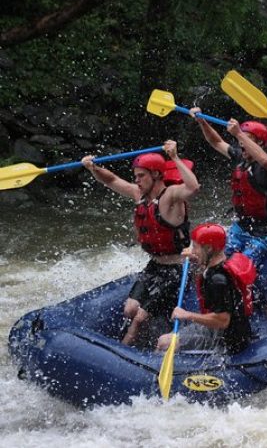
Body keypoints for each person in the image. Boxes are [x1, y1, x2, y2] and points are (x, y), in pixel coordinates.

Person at [81, 141, 200, 346]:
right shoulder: (139, 195)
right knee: (129, 309)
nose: (136, 181)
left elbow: (193, 187)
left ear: (155, 174)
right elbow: (112, 181)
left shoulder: (170, 196)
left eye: (141, 175)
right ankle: (144, 336)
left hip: (178, 269)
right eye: (135, 176)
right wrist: (93, 167)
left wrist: (174, 157)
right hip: (155, 266)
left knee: (138, 318)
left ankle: (123, 350)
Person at [191, 108, 267, 266]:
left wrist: (238, 133)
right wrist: (202, 122)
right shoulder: (241, 158)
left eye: (247, 139)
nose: (241, 143)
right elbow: (216, 142)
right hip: (241, 227)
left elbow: (265, 161)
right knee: (214, 259)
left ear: (260, 144)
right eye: (240, 140)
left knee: (240, 265)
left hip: (264, 233)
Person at [157, 223, 252, 354]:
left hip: (225, 337)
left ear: (208, 249)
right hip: (236, 329)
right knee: (169, 338)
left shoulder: (217, 280)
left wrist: (187, 315)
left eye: (195, 247)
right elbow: (206, 267)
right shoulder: (224, 259)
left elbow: (223, 320)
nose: (193, 250)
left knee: (163, 342)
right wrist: (196, 257)